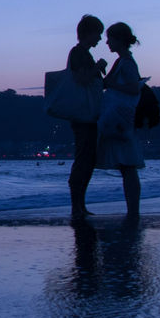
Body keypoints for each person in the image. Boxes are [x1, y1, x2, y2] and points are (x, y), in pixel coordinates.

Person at [96, 22, 145, 216]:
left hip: (122, 120)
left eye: (110, 38)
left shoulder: (127, 62)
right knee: (127, 167)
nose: (107, 42)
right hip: (120, 119)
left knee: (128, 166)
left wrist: (112, 83)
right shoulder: (122, 60)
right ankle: (132, 210)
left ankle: (133, 211)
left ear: (119, 40)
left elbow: (134, 88)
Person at [67, 15, 107, 218]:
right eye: (98, 34)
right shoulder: (77, 53)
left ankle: (80, 205)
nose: (100, 39)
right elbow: (81, 78)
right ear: (88, 33)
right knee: (84, 158)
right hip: (83, 115)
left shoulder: (83, 53)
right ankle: (77, 206)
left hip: (88, 115)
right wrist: (98, 68)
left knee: (88, 158)